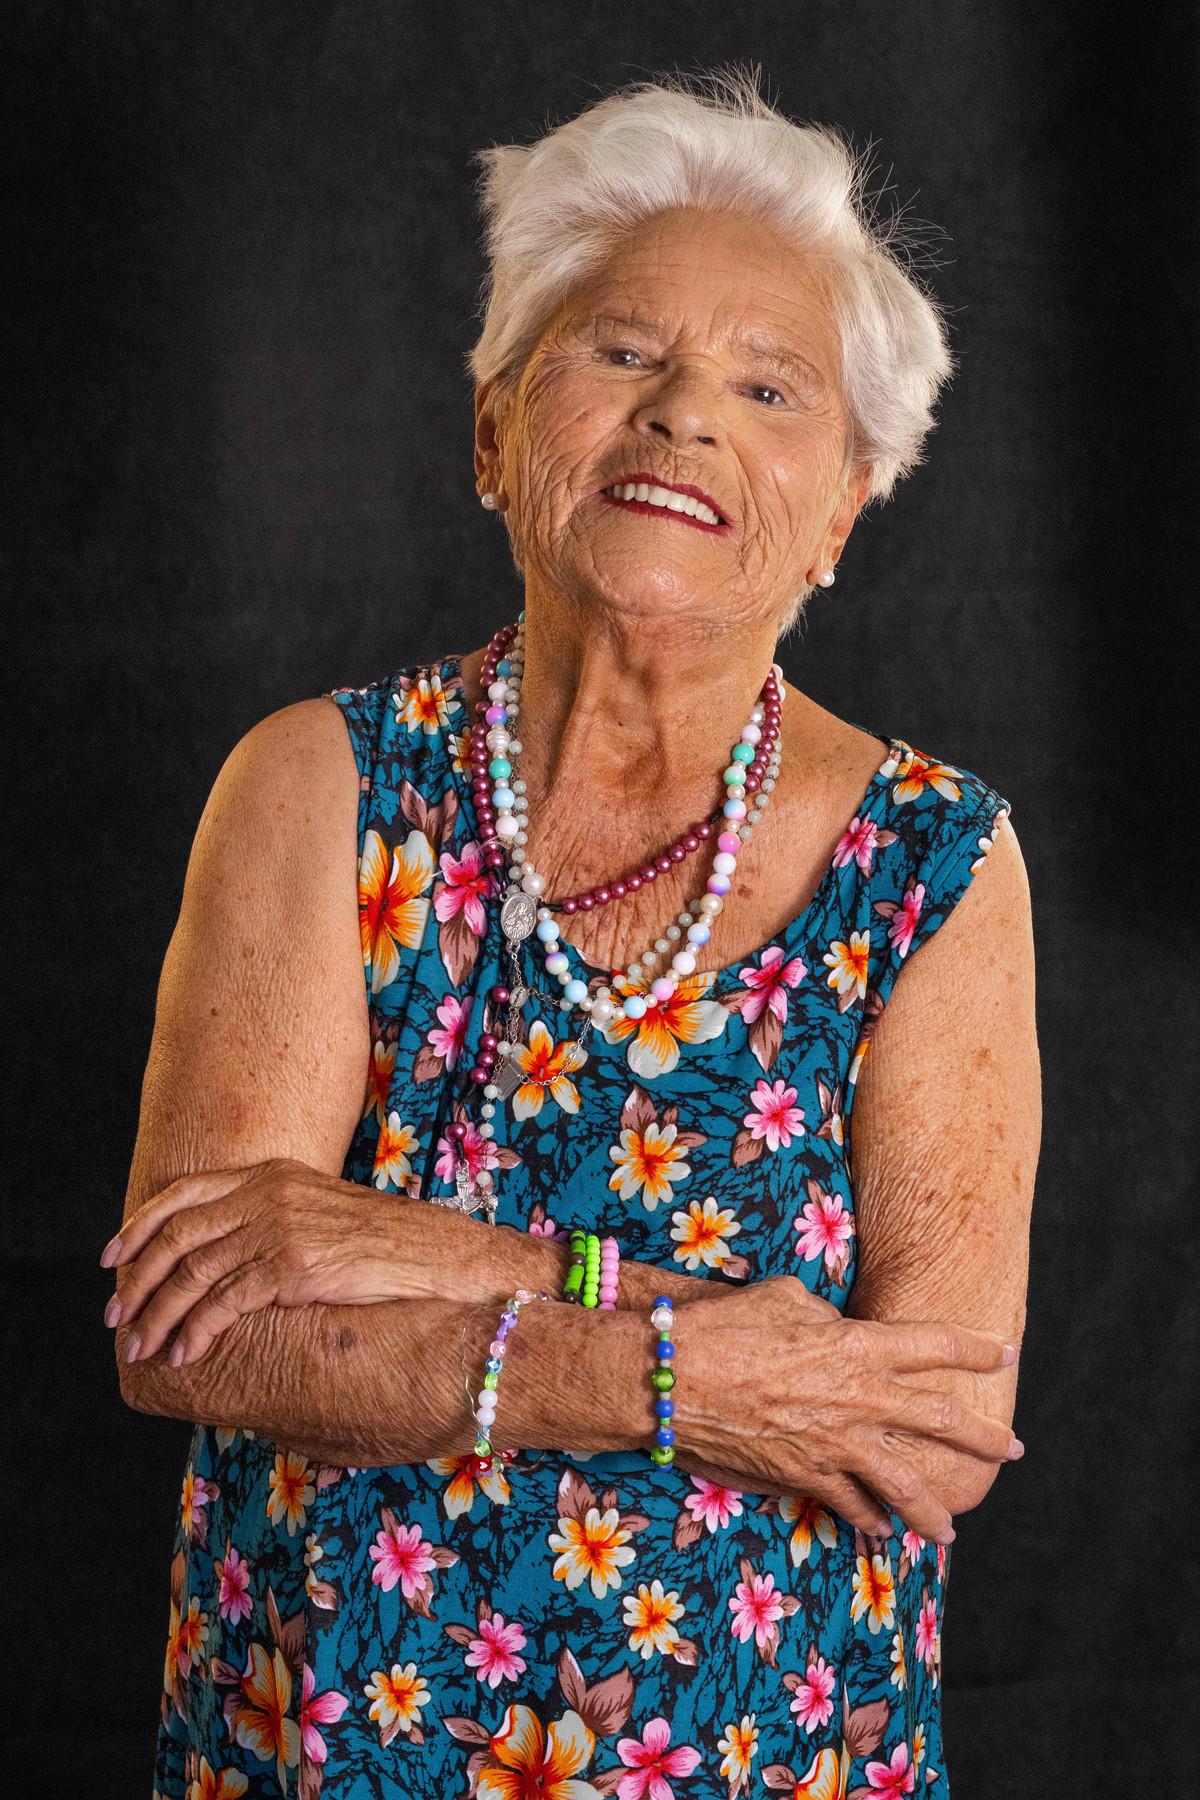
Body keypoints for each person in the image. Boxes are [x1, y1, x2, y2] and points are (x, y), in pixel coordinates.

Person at [108, 73, 1039, 1800]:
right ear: (494, 432)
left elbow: (935, 1428)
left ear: (845, 507)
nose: (684, 414)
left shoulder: (934, 862)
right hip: (328, 1743)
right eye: (622, 351)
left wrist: (430, 1254)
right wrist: (685, 1361)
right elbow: (196, 1333)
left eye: (768, 387)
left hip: (769, 1753)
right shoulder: (318, 786)